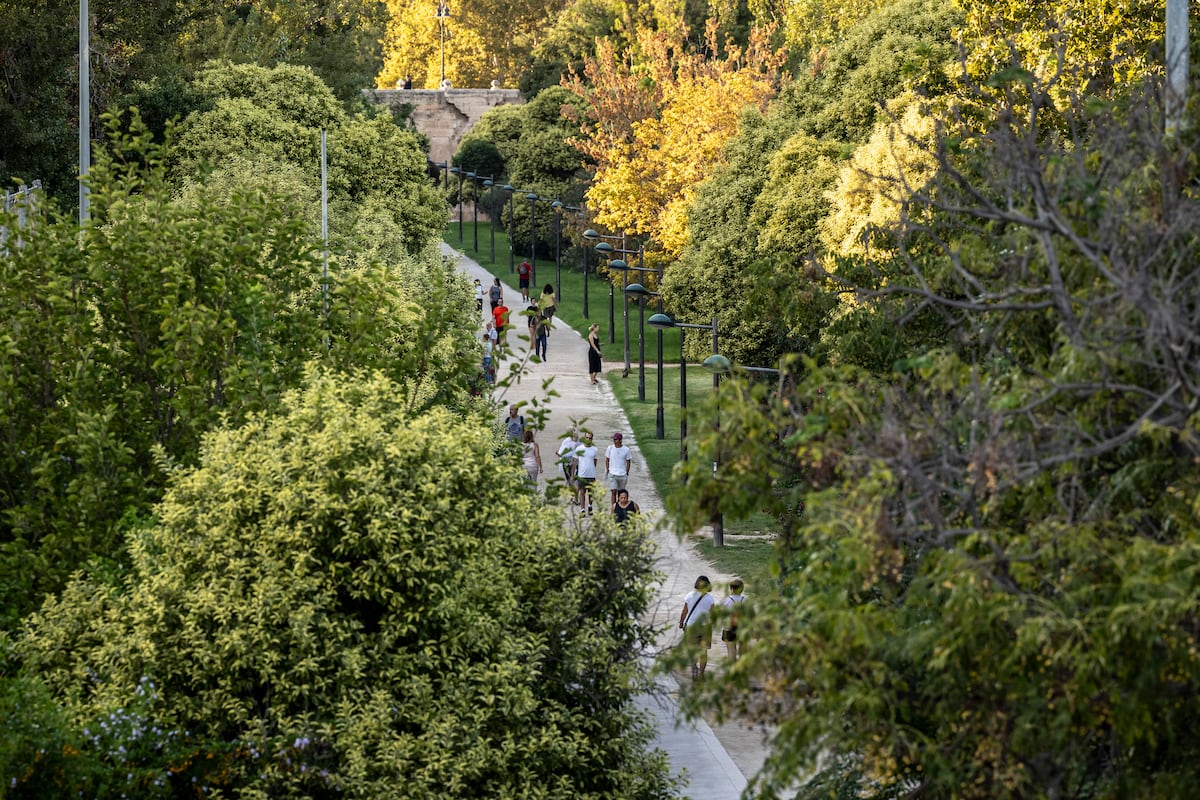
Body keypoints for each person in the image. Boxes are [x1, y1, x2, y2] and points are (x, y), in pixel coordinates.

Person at [679, 575, 716, 680]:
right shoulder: (710, 598)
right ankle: (702, 674)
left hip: (691, 626)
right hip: (705, 627)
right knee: (703, 652)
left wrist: (681, 621)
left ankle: (694, 670)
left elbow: (685, 611)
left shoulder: (689, 596)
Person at [721, 579, 747, 661]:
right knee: (743, 648)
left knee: (731, 649)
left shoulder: (726, 600)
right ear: (742, 589)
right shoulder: (746, 600)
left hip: (729, 627)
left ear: (731, 588)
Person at [574, 431, 599, 514]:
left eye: (590, 438)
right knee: (582, 492)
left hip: (591, 474)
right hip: (582, 474)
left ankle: (590, 506)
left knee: (591, 492)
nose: (588, 439)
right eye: (587, 437)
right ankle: (582, 509)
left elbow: (595, 461)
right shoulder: (579, 449)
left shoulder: (594, 449)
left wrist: (592, 469)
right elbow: (575, 461)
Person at [604, 432, 632, 507]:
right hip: (613, 474)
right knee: (613, 491)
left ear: (620, 440)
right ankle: (614, 508)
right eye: (613, 439)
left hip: (622, 474)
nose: (614, 441)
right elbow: (607, 459)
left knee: (620, 493)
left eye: (615, 439)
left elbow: (628, 462)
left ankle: (620, 507)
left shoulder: (626, 450)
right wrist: (608, 469)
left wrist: (627, 472)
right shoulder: (610, 448)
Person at [556, 428, 578, 497]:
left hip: (567, 462)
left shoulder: (566, 441)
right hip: (575, 462)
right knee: (573, 479)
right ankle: (573, 496)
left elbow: (561, 453)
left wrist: (558, 453)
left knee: (570, 479)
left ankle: (571, 496)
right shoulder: (577, 440)